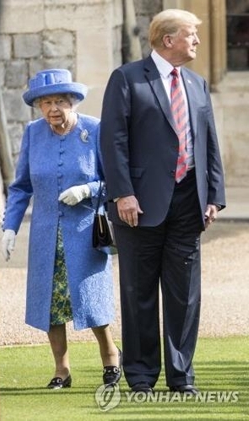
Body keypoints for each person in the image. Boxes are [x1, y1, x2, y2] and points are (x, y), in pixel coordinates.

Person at [100, 9, 226, 395]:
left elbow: (208, 142)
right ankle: (140, 376)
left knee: (184, 295)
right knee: (138, 294)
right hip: (137, 205)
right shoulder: (127, 78)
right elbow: (113, 140)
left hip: (189, 202)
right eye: (191, 35)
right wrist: (122, 192)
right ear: (167, 39)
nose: (198, 42)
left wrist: (214, 197)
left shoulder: (197, 83)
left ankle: (181, 376)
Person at [1, 69, 121, 389]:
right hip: (44, 233)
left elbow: (116, 181)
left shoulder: (94, 129)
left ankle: (110, 356)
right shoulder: (32, 133)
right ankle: (61, 370)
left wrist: (87, 190)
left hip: (85, 231)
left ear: (73, 103)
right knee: (50, 303)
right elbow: (21, 186)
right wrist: (9, 227)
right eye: (45, 103)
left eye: (59, 101)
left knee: (89, 297)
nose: (53, 109)